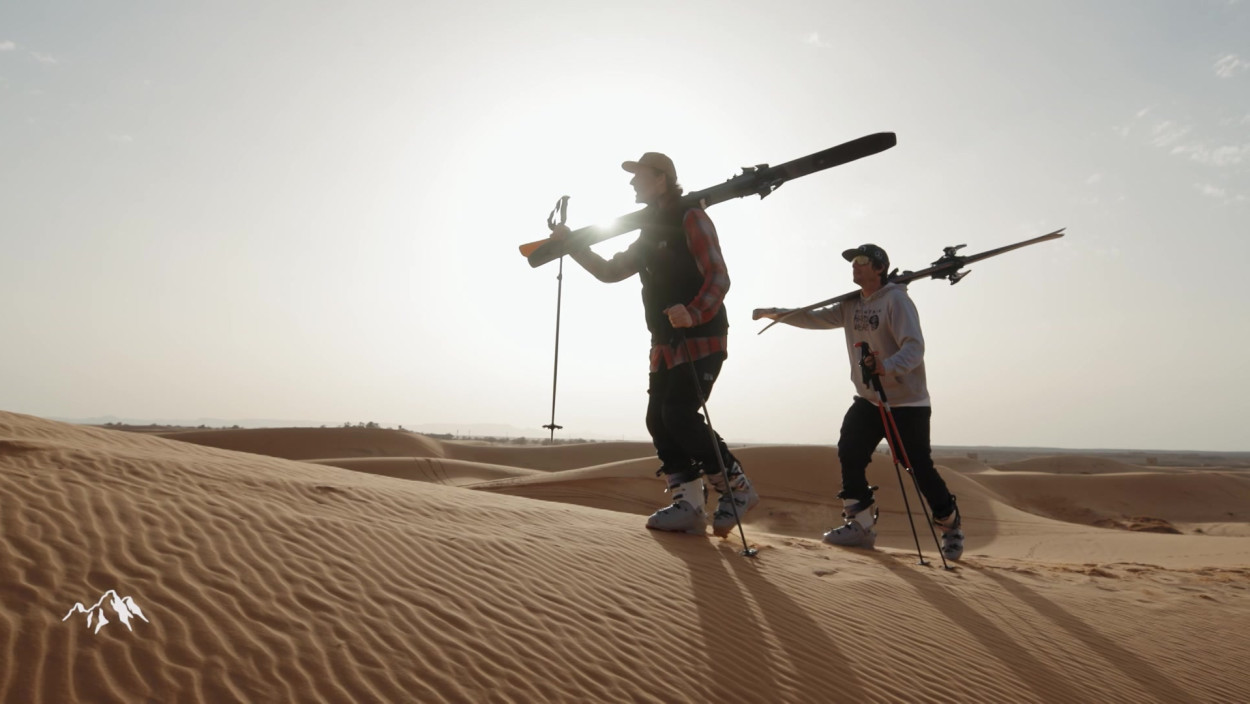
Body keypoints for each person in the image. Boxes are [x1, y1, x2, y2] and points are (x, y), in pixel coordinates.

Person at [550, 151, 759, 537]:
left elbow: (718, 276)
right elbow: (611, 271)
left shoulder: (690, 217)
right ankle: (689, 502)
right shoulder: (649, 232)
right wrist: (573, 246)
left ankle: (736, 488)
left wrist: (694, 313)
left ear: (661, 179)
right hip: (664, 343)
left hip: (702, 336)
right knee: (657, 420)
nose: (631, 183)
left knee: (678, 414)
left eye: (639, 176)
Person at [753, 243, 964, 560]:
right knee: (849, 452)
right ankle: (860, 523)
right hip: (869, 399)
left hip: (906, 402)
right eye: (853, 262)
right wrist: (779, 314)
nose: (855, 266)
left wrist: (887, 366)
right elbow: (816, 318)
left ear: (879, 268)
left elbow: (914, 347)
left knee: (918, 467)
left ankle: (949, 523)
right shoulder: (851, 304)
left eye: (862, 261)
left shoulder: (897, 301)